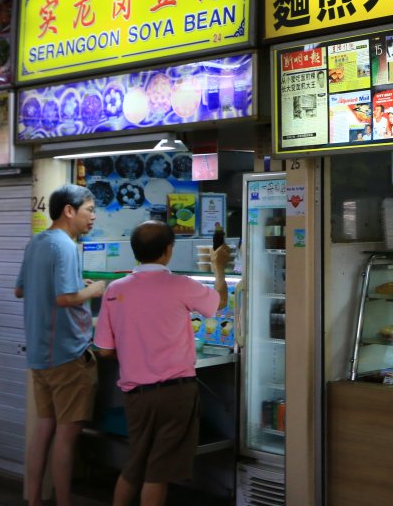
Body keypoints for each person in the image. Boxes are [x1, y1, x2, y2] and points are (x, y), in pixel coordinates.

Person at [93, 221, 231, 506]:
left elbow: (104, 350)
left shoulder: (115, 290)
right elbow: (219, 302)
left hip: (135, 395)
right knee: (158, 472)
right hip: (175, 393)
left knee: (134, 465)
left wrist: (136, 353)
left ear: (135, 251)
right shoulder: (181, 285)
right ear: (169, 250)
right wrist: (219, 267)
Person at [14, 184, 106, 506]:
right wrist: (93, 291)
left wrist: (72, 288)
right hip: (68, 357)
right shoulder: (65, 246)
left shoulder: (36, 242)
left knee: (43, 430)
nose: (93, 217)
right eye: (89, 210)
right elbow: (64, 298)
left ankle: (35, 500)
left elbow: (20, 291)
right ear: (69, 210)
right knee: (66, 437)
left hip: (39, 355)